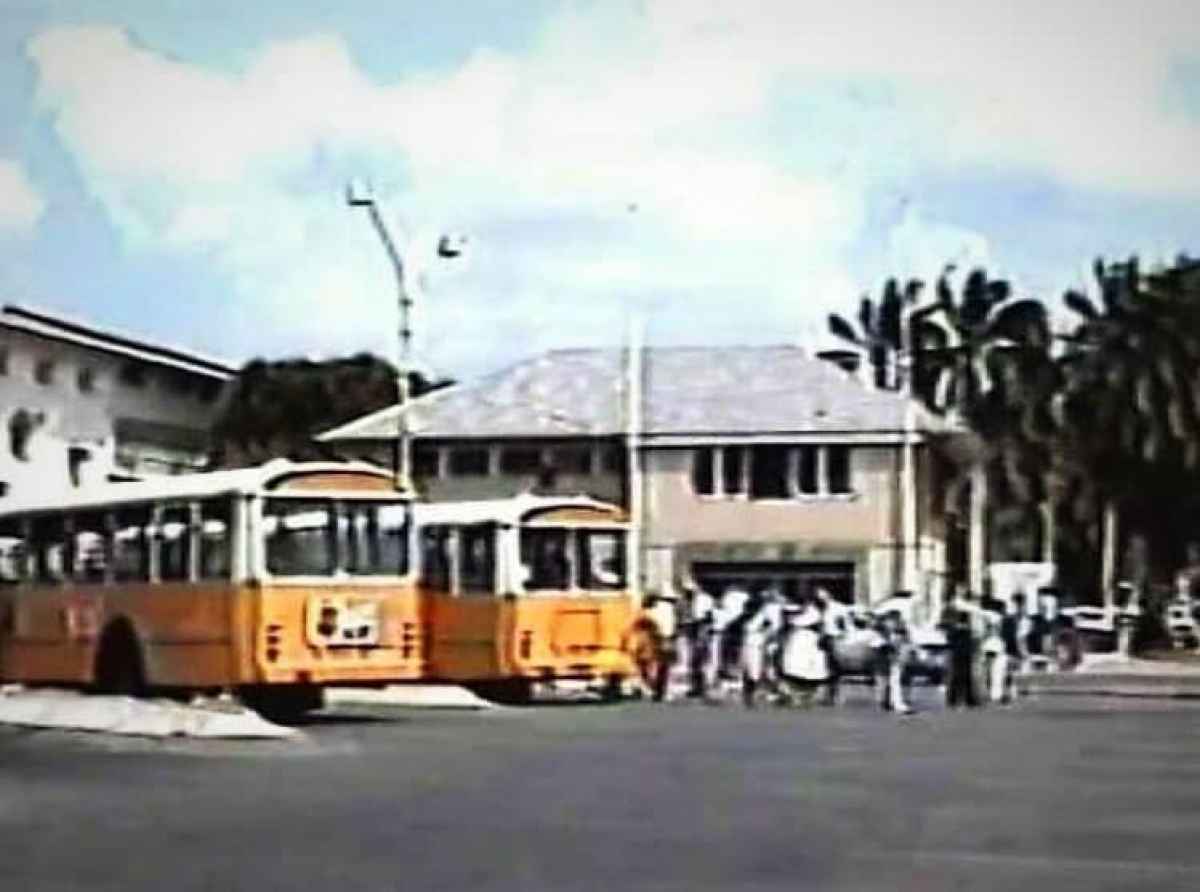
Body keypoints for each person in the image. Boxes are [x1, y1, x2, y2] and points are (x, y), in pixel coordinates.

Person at [816, 588, 852, 706]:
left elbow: (847, 623)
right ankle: (827, 695)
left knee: (833, 668)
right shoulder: (822, 609)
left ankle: (833, 695)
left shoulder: (839, 608)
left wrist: (844, 634)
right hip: (825, 639)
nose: (821, 598)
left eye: (823, 595)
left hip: (834, 638)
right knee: (825, 668)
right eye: (819, 596)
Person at [875, 604, 913, 714]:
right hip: (893, 659)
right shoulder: (887, 632)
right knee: (894, 681)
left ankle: (897, 702)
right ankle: (897, 703)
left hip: (897, 659)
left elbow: (906, 644)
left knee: (896, 681)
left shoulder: (897, 631)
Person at [943, 605, 980, 708]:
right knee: (967, 678)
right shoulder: (969, 632)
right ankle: (969, 699)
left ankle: (952, 700)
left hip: (956, 655)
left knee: (955, 677)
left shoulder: (953, 631)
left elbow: (949, 643)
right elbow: (973, 644)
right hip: (966, 656)